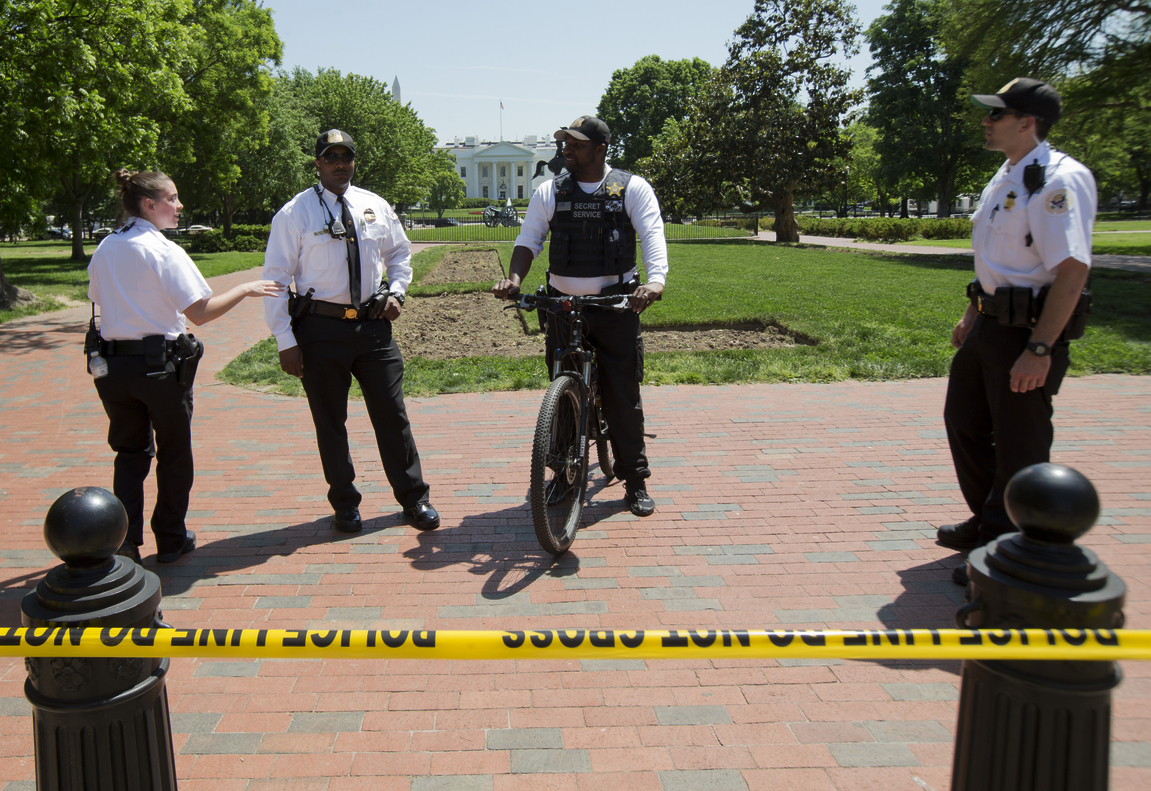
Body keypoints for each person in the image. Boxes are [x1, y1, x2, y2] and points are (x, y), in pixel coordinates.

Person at [937, 79, 1096, 584]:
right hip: (989, 323)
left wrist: (1041, 348)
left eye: (997, 115)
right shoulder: (1007, 175)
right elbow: (997, 257)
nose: (987, 122)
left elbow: (1071, 271)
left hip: (1027, 332)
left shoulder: (1058, 182)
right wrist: (972, 312)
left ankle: (1004, 548)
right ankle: (989, 518)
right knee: (964, 421)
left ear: (1027, 122)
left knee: (1019, 440)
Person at [88, 169, 282, 563]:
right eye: (173, 199)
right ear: (149, 204)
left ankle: (124, 543)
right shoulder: (162, 250)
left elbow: (98, 298)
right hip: (159, 369)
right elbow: (199, 312)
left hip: (112, 369)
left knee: (129, 453)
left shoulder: (107, 246)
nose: (179, 207)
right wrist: (245, 288)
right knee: (174, 453)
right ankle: (171, 538)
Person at [262, 129, 440, 533]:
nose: (340, 163)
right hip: (320, 329)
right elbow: (275, 280)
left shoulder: (373, 205)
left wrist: (397, 293)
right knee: (330, 421)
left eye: (347, 156)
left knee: (393, 416)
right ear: (317, 163)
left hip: (374, 326)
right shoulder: (295, 214)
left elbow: (399, 254)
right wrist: (285, 341)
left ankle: (414, 498)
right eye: (331, 157)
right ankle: (345, 504)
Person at [492, 116, 668, 516]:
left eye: (575, 144)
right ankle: (562, 474)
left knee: (623, 396)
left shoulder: (631, 188)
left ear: (601, 148)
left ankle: (634, 478)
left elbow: (652, 235)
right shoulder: (550, 191)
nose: (566, 150)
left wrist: (654, 281)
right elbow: (529, 239)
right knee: (564, 393)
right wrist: (514, 279)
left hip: (615, 307)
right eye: (564, 144)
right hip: (563, 308)